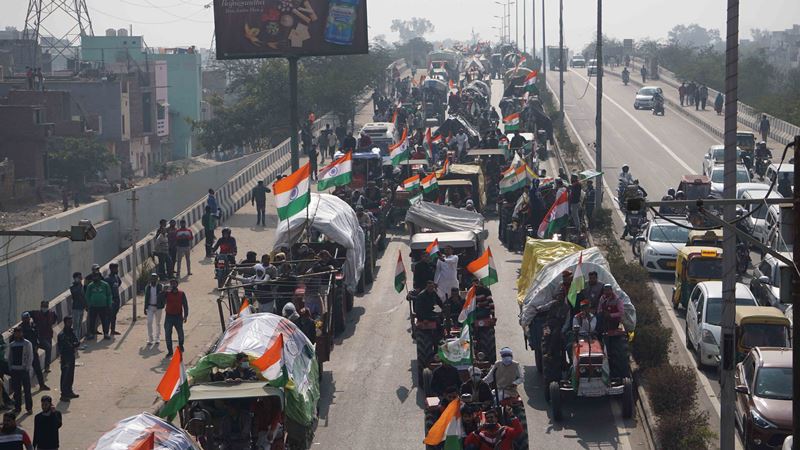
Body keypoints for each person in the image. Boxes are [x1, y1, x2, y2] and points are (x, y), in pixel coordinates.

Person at [6, 328, 33, 414]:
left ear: (22, 333)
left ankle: (29, 408)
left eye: (19, 333)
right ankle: (17, 408)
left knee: (27, 390)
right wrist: (10, 367)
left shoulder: (27, 343)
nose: (18, 335)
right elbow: (9, 357)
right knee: (17, 391)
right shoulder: (12, 345)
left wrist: (27, 367)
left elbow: (30, 356)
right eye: (16, 333)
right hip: (15, 370)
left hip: (24, 370)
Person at [19, 314, 47, 391]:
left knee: (38, 369)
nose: (27, 319)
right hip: (24, 353)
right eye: (25, 318)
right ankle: (21, 388)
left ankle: (42, 385)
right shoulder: (20, 329)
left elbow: (37, 337)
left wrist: (37, 346)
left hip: (33, 351)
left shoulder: (33, 326)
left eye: (27, 318)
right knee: (24, 371)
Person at [163, 279, 189, 358]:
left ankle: (181, 345)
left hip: (178, 316)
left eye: (174, 283)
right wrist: (163, 291)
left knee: (180, 333)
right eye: (172, 284)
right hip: (169, 316)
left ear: (177, 284)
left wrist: (185, 316)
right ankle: (170, 351)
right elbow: (160, 300)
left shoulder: (181, 293)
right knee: (168, 334)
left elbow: (185, 305)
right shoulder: (167, 293)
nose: (173, 285)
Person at [56, 317, 79, 401]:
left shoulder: (71, 332)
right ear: (65, 323)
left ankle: (69, 391)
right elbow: (66, 346)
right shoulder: (62, 334)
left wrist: (75, 344)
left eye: (71, 322)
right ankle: (64, 394)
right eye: (69, 322)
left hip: (71, 355)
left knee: (70, 375)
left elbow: (76, 341)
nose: (71, 323)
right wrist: (73, 345)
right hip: (65, 357)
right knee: (65, 375)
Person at [30, 302, 57, 373]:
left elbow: (54, 320)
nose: (44, 308)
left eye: (46, 306)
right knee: (47, 348)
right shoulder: (37, 313)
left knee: (48, 351)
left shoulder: (51, 314)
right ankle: (39, 367)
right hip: (39, 337)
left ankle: (47, 367)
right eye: (43, 306)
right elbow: (27, 313)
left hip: (48, 336)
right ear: (41, 306)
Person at [144, 273, 164, 345]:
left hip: (158, 307)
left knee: (158, 323)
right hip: (150, 307)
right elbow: (146, 298)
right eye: (152, 278)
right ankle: (150, 338)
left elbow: (164, 296)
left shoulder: (160, 286)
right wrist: (145, 308)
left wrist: (163, 304)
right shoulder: (148, 287)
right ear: (150, 279)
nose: (153, 280)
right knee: (149, 322)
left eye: (155, 278)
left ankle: (157, 338)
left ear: (157, 279)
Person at [105, 263, 122, 336]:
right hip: (111, 299)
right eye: (115, 268)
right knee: (109, 316)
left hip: (116, 298)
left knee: (114, 315)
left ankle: (113, 330)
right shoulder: (107, 279)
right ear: (111, 269)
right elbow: (105, 290)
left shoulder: (116, 277)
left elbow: (119, 283)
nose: (117, 270)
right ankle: (106, 332)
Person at [68, 272, 86, 341]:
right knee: (75, 326)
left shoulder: (81, 286)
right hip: (76, 308)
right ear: (75, 278)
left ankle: (78, 340)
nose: (80, 279)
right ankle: (75, 341)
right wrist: (79, 284)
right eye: (79, 277)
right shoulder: (73, 287)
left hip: (81, 308)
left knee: (79, 326)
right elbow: (76, 293)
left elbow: (83, 296)